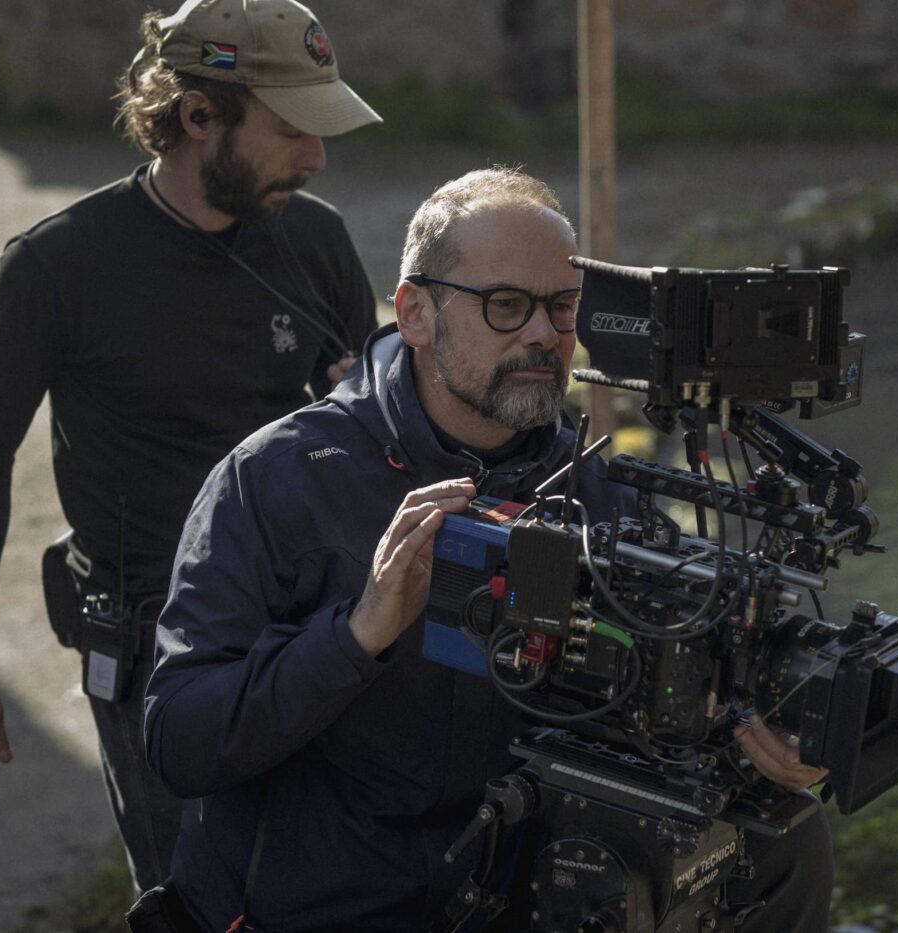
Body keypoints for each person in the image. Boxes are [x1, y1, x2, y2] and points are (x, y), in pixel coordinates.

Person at [144, 167, 836, 931]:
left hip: (518, 897)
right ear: (415, 314)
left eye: (562, 307)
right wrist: (356, 634)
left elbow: (651, 706)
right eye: (506, 306)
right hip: (322, 905)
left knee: (791, 836)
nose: (544, 334)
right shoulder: (277, 480)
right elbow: (179, 741)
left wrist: (748, 736)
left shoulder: (599, 487)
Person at [0, 0, 380, 895]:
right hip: (156, 660)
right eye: (292, 129)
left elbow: (372, 418)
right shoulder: (60, 265)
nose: (317, 156)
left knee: (332, 890)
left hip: (307, 631)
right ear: (197, 115)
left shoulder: (315, 238)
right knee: (193, 901)